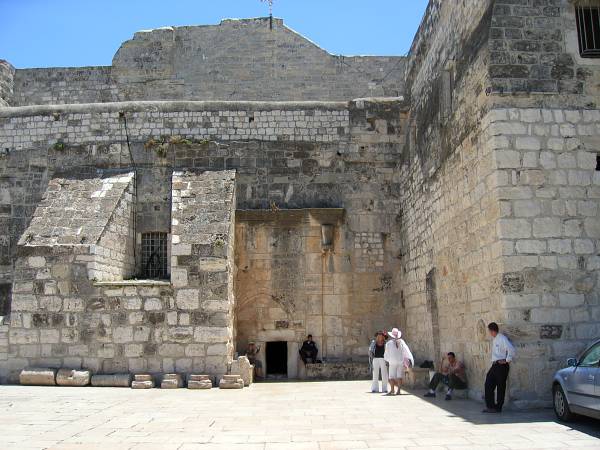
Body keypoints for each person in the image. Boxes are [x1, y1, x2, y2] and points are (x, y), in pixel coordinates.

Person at [483, 322, 515, 413]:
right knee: (488, 384)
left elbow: (511, 349)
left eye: (489, 331)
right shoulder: (495, 339)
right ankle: (490, 406)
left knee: (501, 386)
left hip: (501, 366)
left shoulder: (502, 338)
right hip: (495, 365)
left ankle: (498, 407)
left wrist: (507, 360)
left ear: (492, 331)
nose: (489, 333)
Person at [384, 328, 414, 395]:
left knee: (391, 376)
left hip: (392, 362)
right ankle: (399, 390)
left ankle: (392, 390)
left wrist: (387, 360)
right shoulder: (402, 342)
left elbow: (386, 353)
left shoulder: (388, 343)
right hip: (400, 361)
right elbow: (406, 351)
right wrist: (410, 359)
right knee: (399, 376)